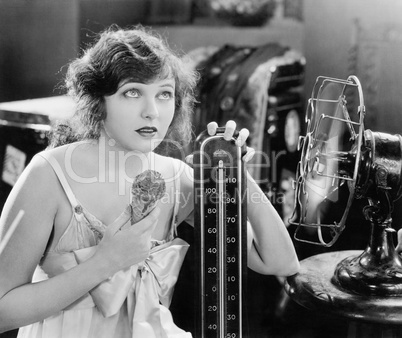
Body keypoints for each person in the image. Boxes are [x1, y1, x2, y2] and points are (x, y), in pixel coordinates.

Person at [0, 25, 299, 337]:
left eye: (164, 94)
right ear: (98, 101)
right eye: (132, 92)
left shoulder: (178, 180)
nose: (152, 112)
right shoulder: (49, 175)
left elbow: (278, 261)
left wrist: (239, 176)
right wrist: (103, 263)